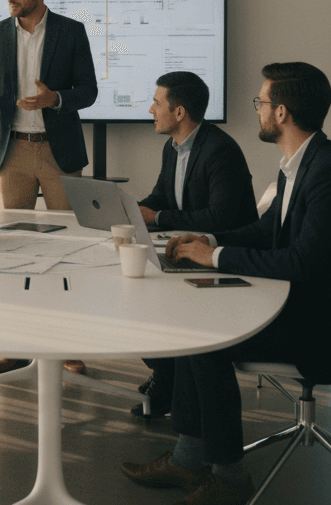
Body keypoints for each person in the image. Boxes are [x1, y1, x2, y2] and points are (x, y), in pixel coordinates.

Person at [121, 63, 331, 505]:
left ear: (281, 113)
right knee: (194, 324)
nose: (258, 111)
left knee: (206, 337)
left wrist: (215, 256)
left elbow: (302, 262)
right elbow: (266, 231)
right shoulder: (302, 163)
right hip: (309, 308)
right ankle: (189, 459)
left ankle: (228, 477)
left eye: (261, 103)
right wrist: (207, 241)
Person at [0, 0, 98, 376]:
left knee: (69, 250)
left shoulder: (71, 31)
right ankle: (14, 342)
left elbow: (90, 90)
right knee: (14, 252)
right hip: (14, 152)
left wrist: (55, 99)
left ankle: (68, 344)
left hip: (58, 150)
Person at [132, 71, 258, 418]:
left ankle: (168, 375)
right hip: (189, 250)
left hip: (225, 260)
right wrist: (131, 212)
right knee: (135, 292)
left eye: (157, 103)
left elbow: (220, 218)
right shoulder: (172, 148)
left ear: (179, 112)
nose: (150, 110)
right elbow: (160, 198)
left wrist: (156, 219)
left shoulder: (220, 150)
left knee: (148, 300)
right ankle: (166, 370)